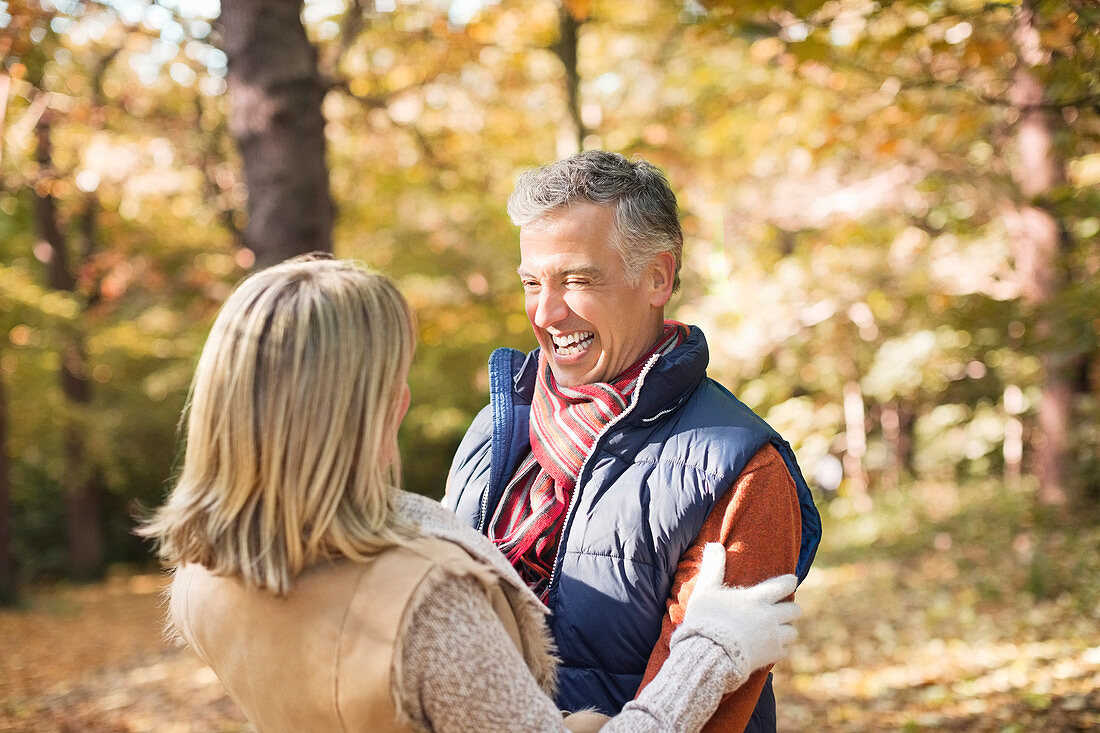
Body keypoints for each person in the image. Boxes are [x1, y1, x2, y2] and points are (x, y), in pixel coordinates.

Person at [138, 255, 801, 733]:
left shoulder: (203, 577)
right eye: (394, 377)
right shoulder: (426, 604)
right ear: (363, 408)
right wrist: (710, 652)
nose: (405, 396)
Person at [444, 151, 823, 732]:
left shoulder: (741, 467)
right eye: (531, 282)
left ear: (658, 278)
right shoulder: (495, 429)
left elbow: (709, 713)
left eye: (577, 279)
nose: (545, 312)